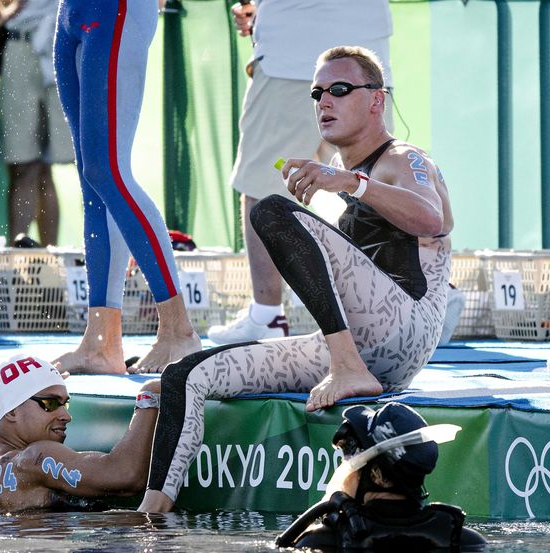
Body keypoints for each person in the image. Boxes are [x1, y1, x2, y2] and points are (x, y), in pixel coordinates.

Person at [137, 46, 453, 513]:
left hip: (403, 329)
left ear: (376, 100)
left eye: (340, 90)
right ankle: (151, 519)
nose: (325, 101)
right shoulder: (352, 170)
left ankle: (346, 365)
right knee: (185, 375)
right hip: (364, 347)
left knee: (271, 211)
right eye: (317, 93)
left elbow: (431, 219)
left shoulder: (404, 159)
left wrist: (347, 183)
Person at [207, 0, 395, 344]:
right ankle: (406, 304)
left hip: (293, 52)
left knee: (263, 185)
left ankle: (267, 315)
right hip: (367, 47)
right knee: (378, 184)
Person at [52, 0, 201, 374]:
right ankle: (102, 343)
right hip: (72, 10)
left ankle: (178, 330)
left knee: (108, 171)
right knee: (92, 178)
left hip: (114, 9)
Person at [0, 354, 160, 513]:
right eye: (50, 403)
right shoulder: (34, 459)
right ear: (13, 411)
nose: (65, 415)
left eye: (65, 404)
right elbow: (125, 476)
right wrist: (149, 397)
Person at [276, 402, 488, 552]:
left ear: (377, 476)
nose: (346, 471)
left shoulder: (322, 542)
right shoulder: (462, 539)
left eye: (352, 462)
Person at [0, 0, 75, 247]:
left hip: (57, 47)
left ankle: (50, 261)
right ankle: (18, 264)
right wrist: (2, 13)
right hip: (20, 46)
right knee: (24, 167)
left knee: (43, 169)